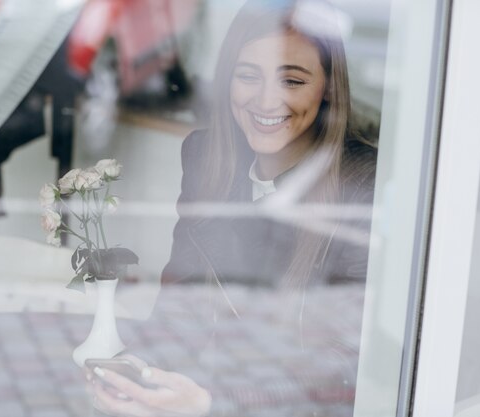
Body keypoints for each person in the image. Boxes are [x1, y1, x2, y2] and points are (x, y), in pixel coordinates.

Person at [87, 0, 377, 415]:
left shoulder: (363, 183)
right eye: (248, 76)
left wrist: (214, 403)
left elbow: (344, 364)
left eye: (292, 80)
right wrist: (145, 368)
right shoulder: (205, 156)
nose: (266, 100)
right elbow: (180, 299)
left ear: (328, 87)